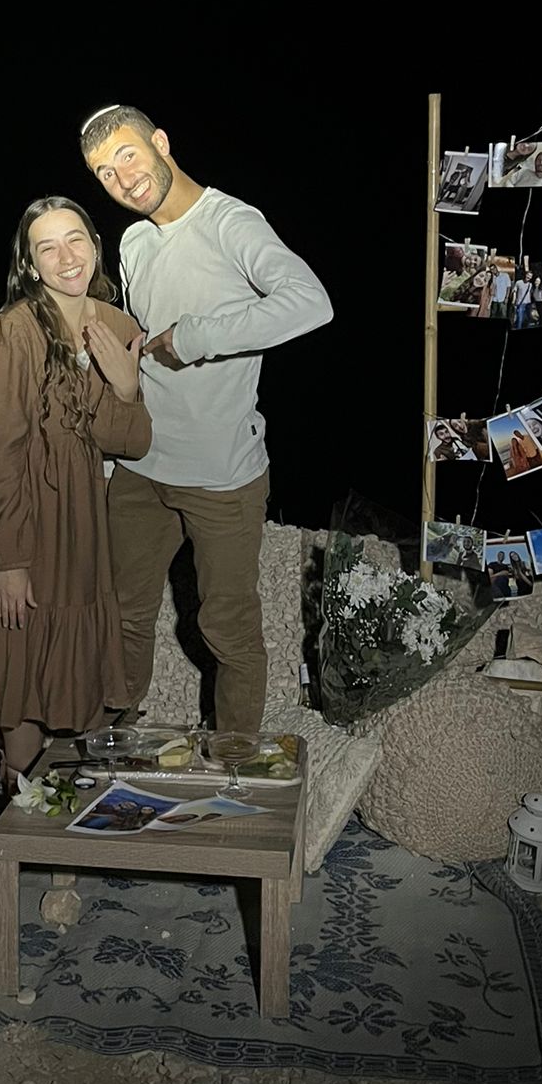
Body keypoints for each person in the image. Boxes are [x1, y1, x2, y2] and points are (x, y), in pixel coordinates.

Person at [79, 105, 333, 733]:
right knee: (121, 615)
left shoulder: (231, 222)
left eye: (128, 155)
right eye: (106, 172)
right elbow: (139, 350)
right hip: (141, 466)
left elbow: (311, 303)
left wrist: (198, 336)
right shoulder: (134, 242)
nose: (123, 179)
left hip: (222, 475)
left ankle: (235, 765)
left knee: (228, 630)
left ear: (161, 142)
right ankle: (112, 745)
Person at [0, 197, 150, 871]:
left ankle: (17, 807)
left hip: (76, 526)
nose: (66, 257)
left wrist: (125, 385)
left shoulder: (116, 325)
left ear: (96, 245)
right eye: (47, 246)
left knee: (35, 673)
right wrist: (9, 559)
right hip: (7, 525)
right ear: (28, 263)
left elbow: (131, 441)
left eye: (75, 239)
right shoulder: (12, 331)